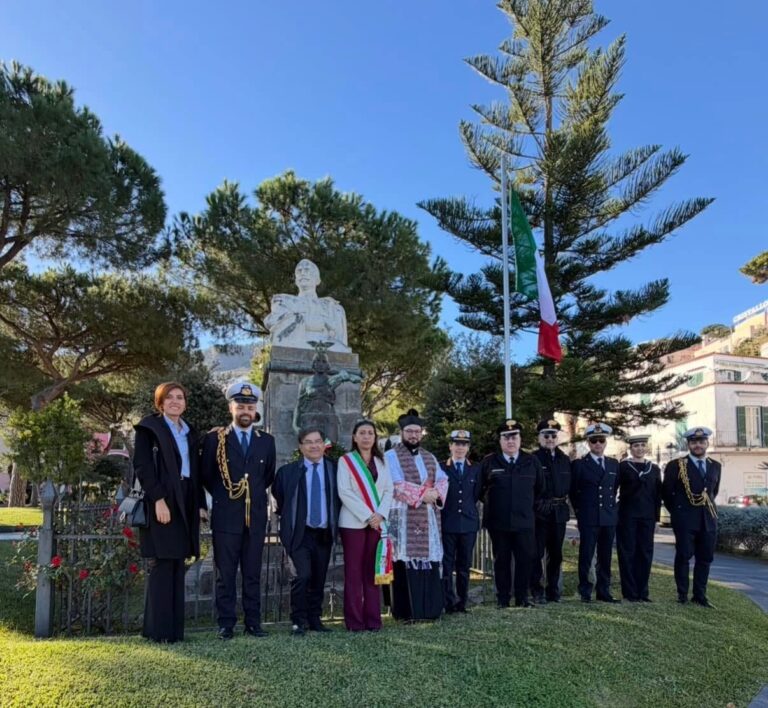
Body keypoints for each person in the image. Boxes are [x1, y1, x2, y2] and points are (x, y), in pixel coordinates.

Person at [200, 382, 276, 640]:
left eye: (250, 406)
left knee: (253, 573)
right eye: (241, 405)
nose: (246, 410)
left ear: (256, 410)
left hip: (254, 517)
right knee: (225, 574)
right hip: (226, 517)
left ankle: (253, 623)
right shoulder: (216, 439)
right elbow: (207, 476)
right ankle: (226, 623)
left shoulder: (266, 441)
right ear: (231, 407)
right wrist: (226, 496)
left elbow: (265, 477)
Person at [133, 382, 204, 643]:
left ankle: (174, 631)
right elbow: (142, 466)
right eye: (170, 398)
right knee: (162, 563)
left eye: (180, 397)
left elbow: (194, 471)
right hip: (162, 497)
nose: (175, 401)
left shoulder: (189, 432)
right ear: (160, 403)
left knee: (177, 562)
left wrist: (199, 505)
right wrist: (159, 500)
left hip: (185, 497)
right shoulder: (149, 429)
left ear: (185, 403)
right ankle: (159, 631)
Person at [272, 426, 340, 635]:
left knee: (319, 577)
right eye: (308, 442)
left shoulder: (334, 469)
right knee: (302, 576)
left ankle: (314, 619)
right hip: (300, 533)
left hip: (323, 533)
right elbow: (280, 500)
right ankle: (298, 620)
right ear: (301, 447)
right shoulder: (288, 472)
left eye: (317, 441)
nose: (314, 446)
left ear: (323, 444)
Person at [384, 408, 448, 621]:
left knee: (428, 562)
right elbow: (394, 484)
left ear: (422, 433)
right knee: (403, 561)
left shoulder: (429, 456)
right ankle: (405, 611)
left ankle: (429, 610)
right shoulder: (391, 455)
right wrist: (423, 494)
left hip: (428, 517)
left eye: (417, 431)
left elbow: (442, 479)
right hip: (402, 516)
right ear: (402, 432)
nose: (413, 435)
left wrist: (435, 493)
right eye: (409, 431)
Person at [480, 419, 544, 609]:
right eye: (506, 437)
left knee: (525, 560)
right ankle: (503, 598)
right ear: (500, 440)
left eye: (514, 437)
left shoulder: (531, 461)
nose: (510, 441)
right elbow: (481, 489)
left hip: (524, 522)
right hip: (498, 522)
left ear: (520, 439)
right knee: (502, 561)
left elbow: (540, 489)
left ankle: (523, 597)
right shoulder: (490, 462)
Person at [337, 419, 394, 631]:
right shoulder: (346, 461)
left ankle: (373, 620)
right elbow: (344, 491)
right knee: (353, 574)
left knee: (372, 572)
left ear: (375, 437)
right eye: (362, 432)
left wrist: (380, 514)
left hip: (377, 523)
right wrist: (369, 515)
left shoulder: (383, 461)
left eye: (370, 433)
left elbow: (389, 490)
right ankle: (354, 622)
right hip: (353, 523)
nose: (366, 436)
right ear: (354, 437)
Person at [662, 426, 721, 608]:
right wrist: (679, 513)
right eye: (694, 442)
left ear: (707, 443)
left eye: (701, 442)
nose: (698, 445)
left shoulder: (715, 466)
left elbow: (713, 492)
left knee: (705, 558)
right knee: (684, 556)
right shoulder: (676, 465)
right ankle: (682, 594)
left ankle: (700, 595)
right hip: (685, 519)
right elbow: (667, 493)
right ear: (688, 444)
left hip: (708, 519)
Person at [571, 422, 620, 603]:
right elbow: (573, 492)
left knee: (605, 556)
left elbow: (613, 489)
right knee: (586, 555)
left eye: (601, 440)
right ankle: (585, 591)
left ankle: (603, 591)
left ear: (605, 442)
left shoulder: (614, 464)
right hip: (589, 517)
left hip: (608, 517)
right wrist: (580, 512)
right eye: (593, 441)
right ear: (588, 443)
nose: (597, 444)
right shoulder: (579, 464)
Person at [529, 419, 571, 604]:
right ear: (539, 437)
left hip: (559, 512)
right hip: (540, 513)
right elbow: (529, 486)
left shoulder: (564, 459)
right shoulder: (533, 458)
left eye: (553, 435)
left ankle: (553, 590)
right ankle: (537, 590)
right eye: (546, 435)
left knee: (556, 554)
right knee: (536, 553)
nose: (550, 438)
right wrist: (538, 502)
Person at [616, 435, 662, 602]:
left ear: (646, 448)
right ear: (631, 448)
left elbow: (658, 496)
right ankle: (629, 592)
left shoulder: (654, 469)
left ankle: (643, 592)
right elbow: (614, 491)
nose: (640, 448)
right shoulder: (623, 467)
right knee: (627, 553)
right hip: (627, 516)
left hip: (647, 517)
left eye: (642, 445)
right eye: (636, 446)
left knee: (645, 553)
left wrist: (657, 519)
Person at [440, 429, 481, 614]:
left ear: (468, 448)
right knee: (447, 566)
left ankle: (462, 602)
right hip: (448, 523)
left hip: (468, 523)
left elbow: (477, 494)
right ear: (450, 446)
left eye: (464, 444)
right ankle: (449, 601)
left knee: (464, 566)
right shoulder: (442, 467)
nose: (460, 448)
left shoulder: (475, 468)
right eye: (456, 444)